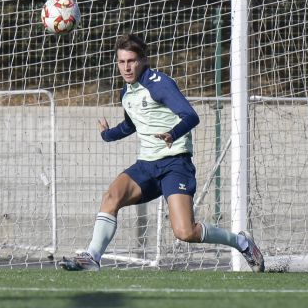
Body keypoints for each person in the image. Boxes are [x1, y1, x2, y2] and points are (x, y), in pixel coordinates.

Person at [58, 33, 264, 272]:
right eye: (122, 62)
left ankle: (241, 242)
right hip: (146, 165)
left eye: (132, 61)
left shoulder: (159, 83)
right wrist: (108, 135)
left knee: (185, 232)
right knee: (111, 196)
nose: (126, 67)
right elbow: (132, 124)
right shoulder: (127, 93)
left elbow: (191, 116)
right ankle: (92, 257)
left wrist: (172, 134)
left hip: (175, 164)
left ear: (143, 60)